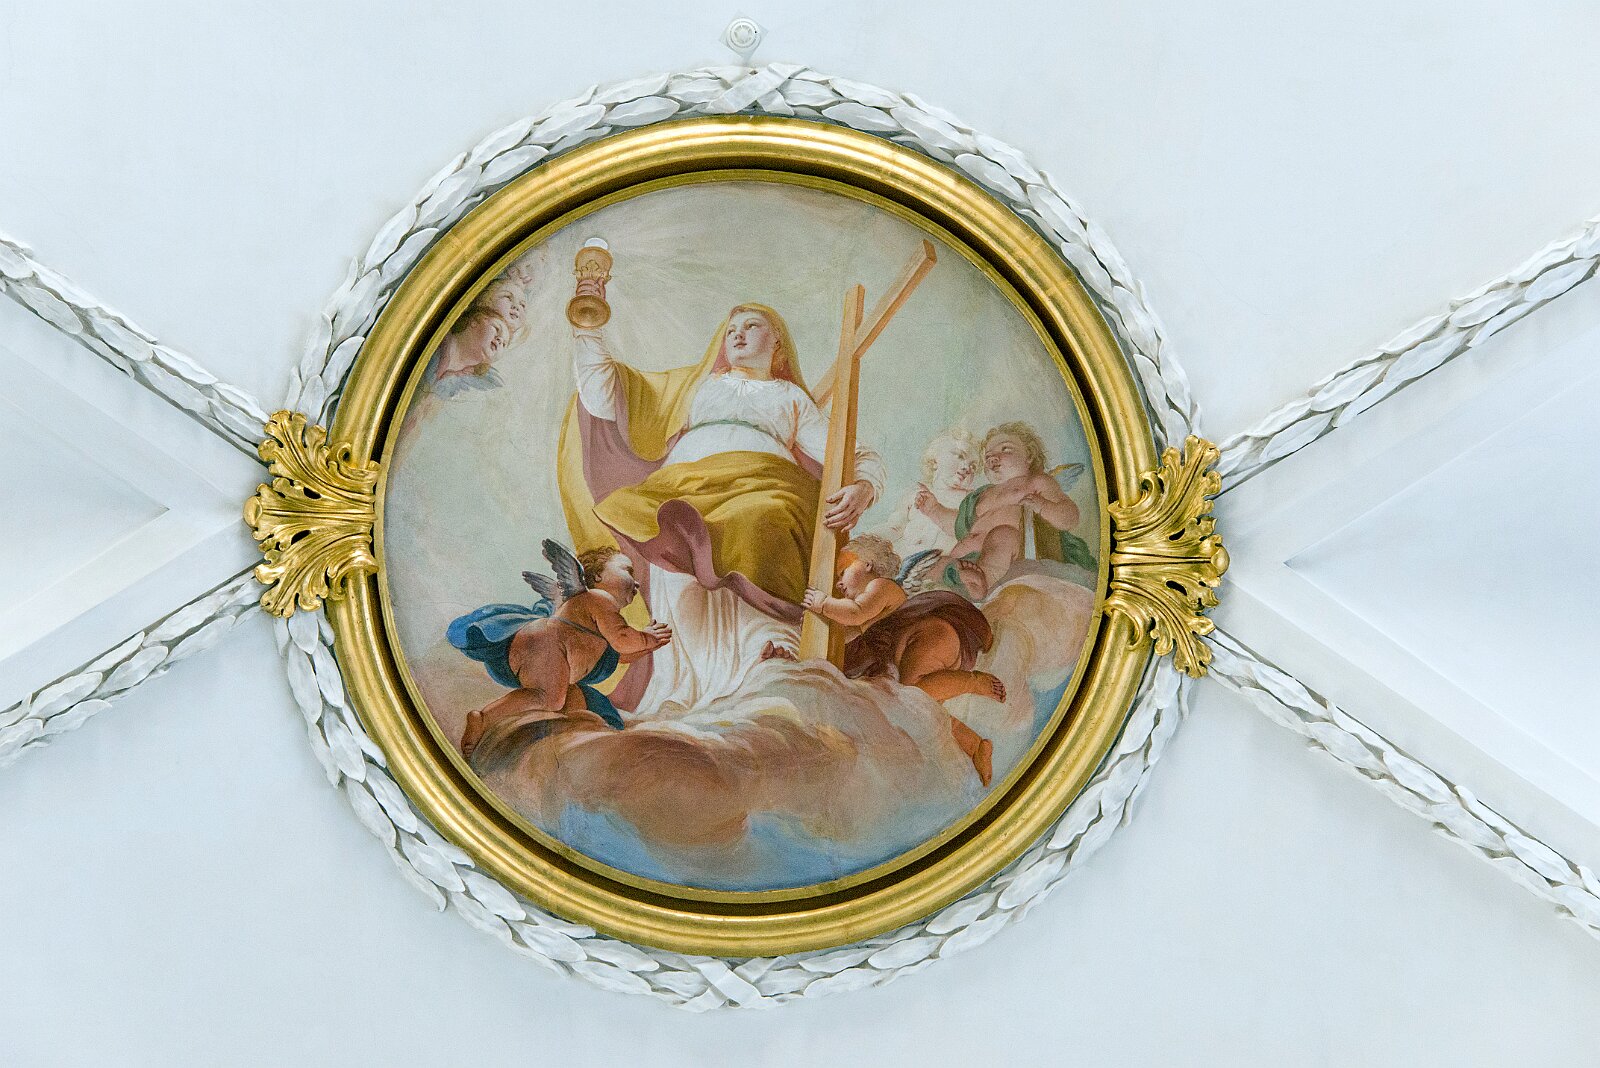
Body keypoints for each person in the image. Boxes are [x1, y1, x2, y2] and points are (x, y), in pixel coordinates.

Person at [558, 304, 885, 712]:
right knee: (671, 547)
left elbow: (852, 453)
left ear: (778, 342)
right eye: (732, 329)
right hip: (682, 491)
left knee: (761, 522)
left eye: (752, 326)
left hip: (764, 488)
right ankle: (686, 688)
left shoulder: (790, 397)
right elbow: (608, 396)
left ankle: (766, 660)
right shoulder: (696, 387)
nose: (738, 334)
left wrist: (864, 487)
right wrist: (589, 330)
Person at [798, 535, 1004, 786]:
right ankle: (974, 746)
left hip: (929, 636)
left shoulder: (880, 587)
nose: (839, 583)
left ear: (867, 563)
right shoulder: (869, 613)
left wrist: (823, 603)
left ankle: (973, 682)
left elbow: (855, 613)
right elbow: (851, 633)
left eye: (843, 572)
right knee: (921, 711)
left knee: (912, 694)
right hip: (927, 649)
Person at [449, 546, 670, 761]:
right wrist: (647, 638)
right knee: (549, 697)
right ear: (598, 577)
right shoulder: (598, 598)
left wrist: (647, 647)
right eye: (627, 570)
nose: (637, 582)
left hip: (546, 651)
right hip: (547, 645)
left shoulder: (597, 623)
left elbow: (615, 656)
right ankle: (484, 718)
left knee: (572, 701)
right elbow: (622, 639)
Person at [926, 422, 1087, 600]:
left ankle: (981, 583)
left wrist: (1043, 506)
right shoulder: (982, 494)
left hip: (1010, 554)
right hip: (966, 560)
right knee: (935, 563)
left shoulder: (1036, 482)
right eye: (988, 456)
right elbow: (958, 525)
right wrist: (934, 510)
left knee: (1001, 536)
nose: (993, 458)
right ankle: (945, 584)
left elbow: (1070, 517)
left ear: (1029, 456)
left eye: (1005, 449)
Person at [871, 429, 979, 557]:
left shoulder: (970, 499)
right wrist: (868, 539)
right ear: (935, 461)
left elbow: (968, 532)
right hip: (904, 557)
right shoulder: (915, 493)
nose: (967, 467)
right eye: (960, 456)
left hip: (940, 561)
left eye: (973, 466)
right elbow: (894, 528)